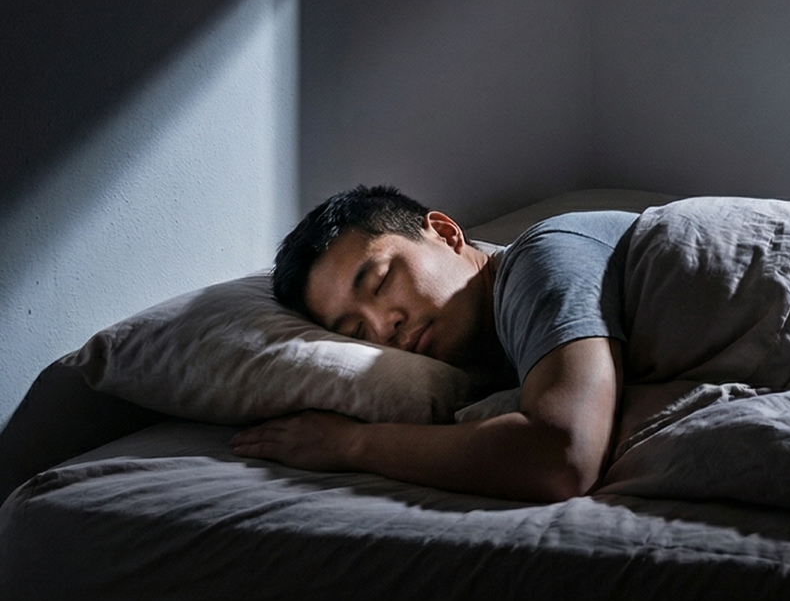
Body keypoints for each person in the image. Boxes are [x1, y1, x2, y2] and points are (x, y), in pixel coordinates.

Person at [230, 185, 631, 503]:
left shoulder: (542, 258)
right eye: (355, 331)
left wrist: (349, 444)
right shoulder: (502, 353)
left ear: (443, 232)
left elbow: (563, 458)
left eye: (382, 282)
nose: (384, 327)